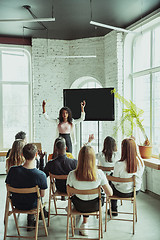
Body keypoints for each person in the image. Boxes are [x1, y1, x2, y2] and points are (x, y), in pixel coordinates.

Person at [67, 145, 113, 236]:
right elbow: (110, 193)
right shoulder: (99, 174)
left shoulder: (71, 174)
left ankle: (83, 222)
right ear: (93, 159)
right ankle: (85, 224)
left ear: (79, 158)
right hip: (95, 206)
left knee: (78, 198)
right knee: (97, 197)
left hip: (78, 206)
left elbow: (69, 193)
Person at [5, 143, 48, 231]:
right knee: (39, 198)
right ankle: (34, 218)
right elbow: (42, 195)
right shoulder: (41, 175)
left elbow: (8, 189)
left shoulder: (12, 170)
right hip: (32, 206)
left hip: (16, 204)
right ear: (36, 155)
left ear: (22, 155)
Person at [109, 138, 144, 216]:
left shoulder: (119, 164)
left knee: (110, 181)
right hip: (135, 191)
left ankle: (113, 209)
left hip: (121, 192)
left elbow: (115, 182)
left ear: (123, 149)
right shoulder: (140, 162)